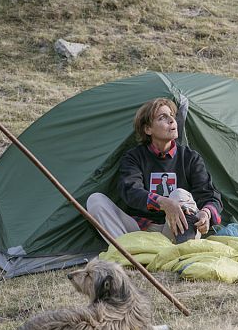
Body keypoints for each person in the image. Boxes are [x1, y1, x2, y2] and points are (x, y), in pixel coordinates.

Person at [87, 98, 222, 243]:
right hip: (142, 230)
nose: (171, 120)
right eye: (162, 117)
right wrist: (163, 202)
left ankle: (182, 252)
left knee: (179, 194)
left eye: (172, 115)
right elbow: (131, 191)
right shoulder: (134, 157)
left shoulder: (190, 158)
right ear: (148, 129)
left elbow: (210, 195)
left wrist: (206, 214)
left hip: (175, 230)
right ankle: (128, 253)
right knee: (95, 200)